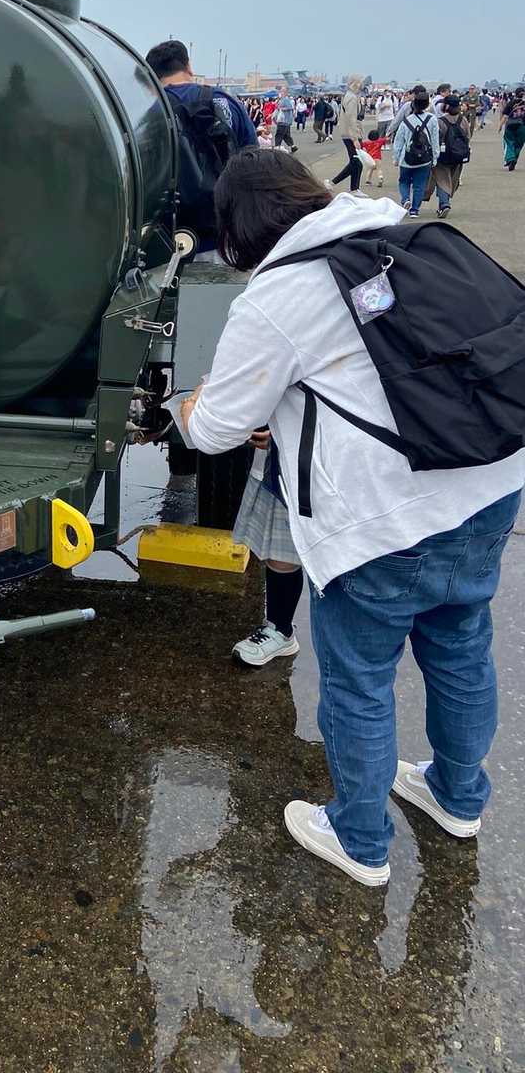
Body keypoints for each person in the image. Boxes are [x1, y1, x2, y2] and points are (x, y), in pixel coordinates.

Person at [181, 148, 524, 886]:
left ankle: (360, 839)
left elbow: (213, 430)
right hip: (489, 483)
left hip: (384, 521)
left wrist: (189, 404)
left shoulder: (279, 293)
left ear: (237, 228)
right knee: (461, 647)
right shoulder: (397, 230)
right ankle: (458, 797)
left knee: (360, 678)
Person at [145, 40, 257, 255]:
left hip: (169, 238)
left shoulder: (152, 112)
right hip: (226, 233)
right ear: (188, 66)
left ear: (152, 75)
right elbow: (254, 162)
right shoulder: (226, 102)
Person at [230, 427, 305, 666]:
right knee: (280, 551)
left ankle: (282, 630)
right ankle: (279, 628)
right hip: (284, 463)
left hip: (317, 464)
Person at [393, 89, 440, 215]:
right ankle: (414, 210)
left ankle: (405, 199)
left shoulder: (406, 121)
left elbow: (398, 142)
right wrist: (435, 157)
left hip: (407, 158)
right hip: (424, 158)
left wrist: (396, 158)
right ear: (427, 105)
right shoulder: (432, 119)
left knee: (404, 182)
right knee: (420, 185)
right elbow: (435, 140)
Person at [430, 95, 470, 218]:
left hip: (443, 156)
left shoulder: (440, 121)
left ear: (446, 106)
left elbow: (435, 139)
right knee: (452, 180)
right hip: (459, 156)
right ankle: (443, 203)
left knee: (442, 180)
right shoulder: (463, 120)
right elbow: (468, 136)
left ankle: (444, 204)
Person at [326, 80, 363, 192]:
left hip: (349, 132)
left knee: (356, 162)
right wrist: (355, 138)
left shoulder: (350, 96)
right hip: (351, 133)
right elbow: (351, 118)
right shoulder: (351, 98)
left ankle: (354, 189)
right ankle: (332, 183)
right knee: (356, 161)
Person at [500, 88, 525, 172]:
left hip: (510, 125)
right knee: (519, 144)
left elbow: (505, 116)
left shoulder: (510, 103)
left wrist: (500, 126)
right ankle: (514, 159)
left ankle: (510, 158)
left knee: (509, 142)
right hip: (522, 126)